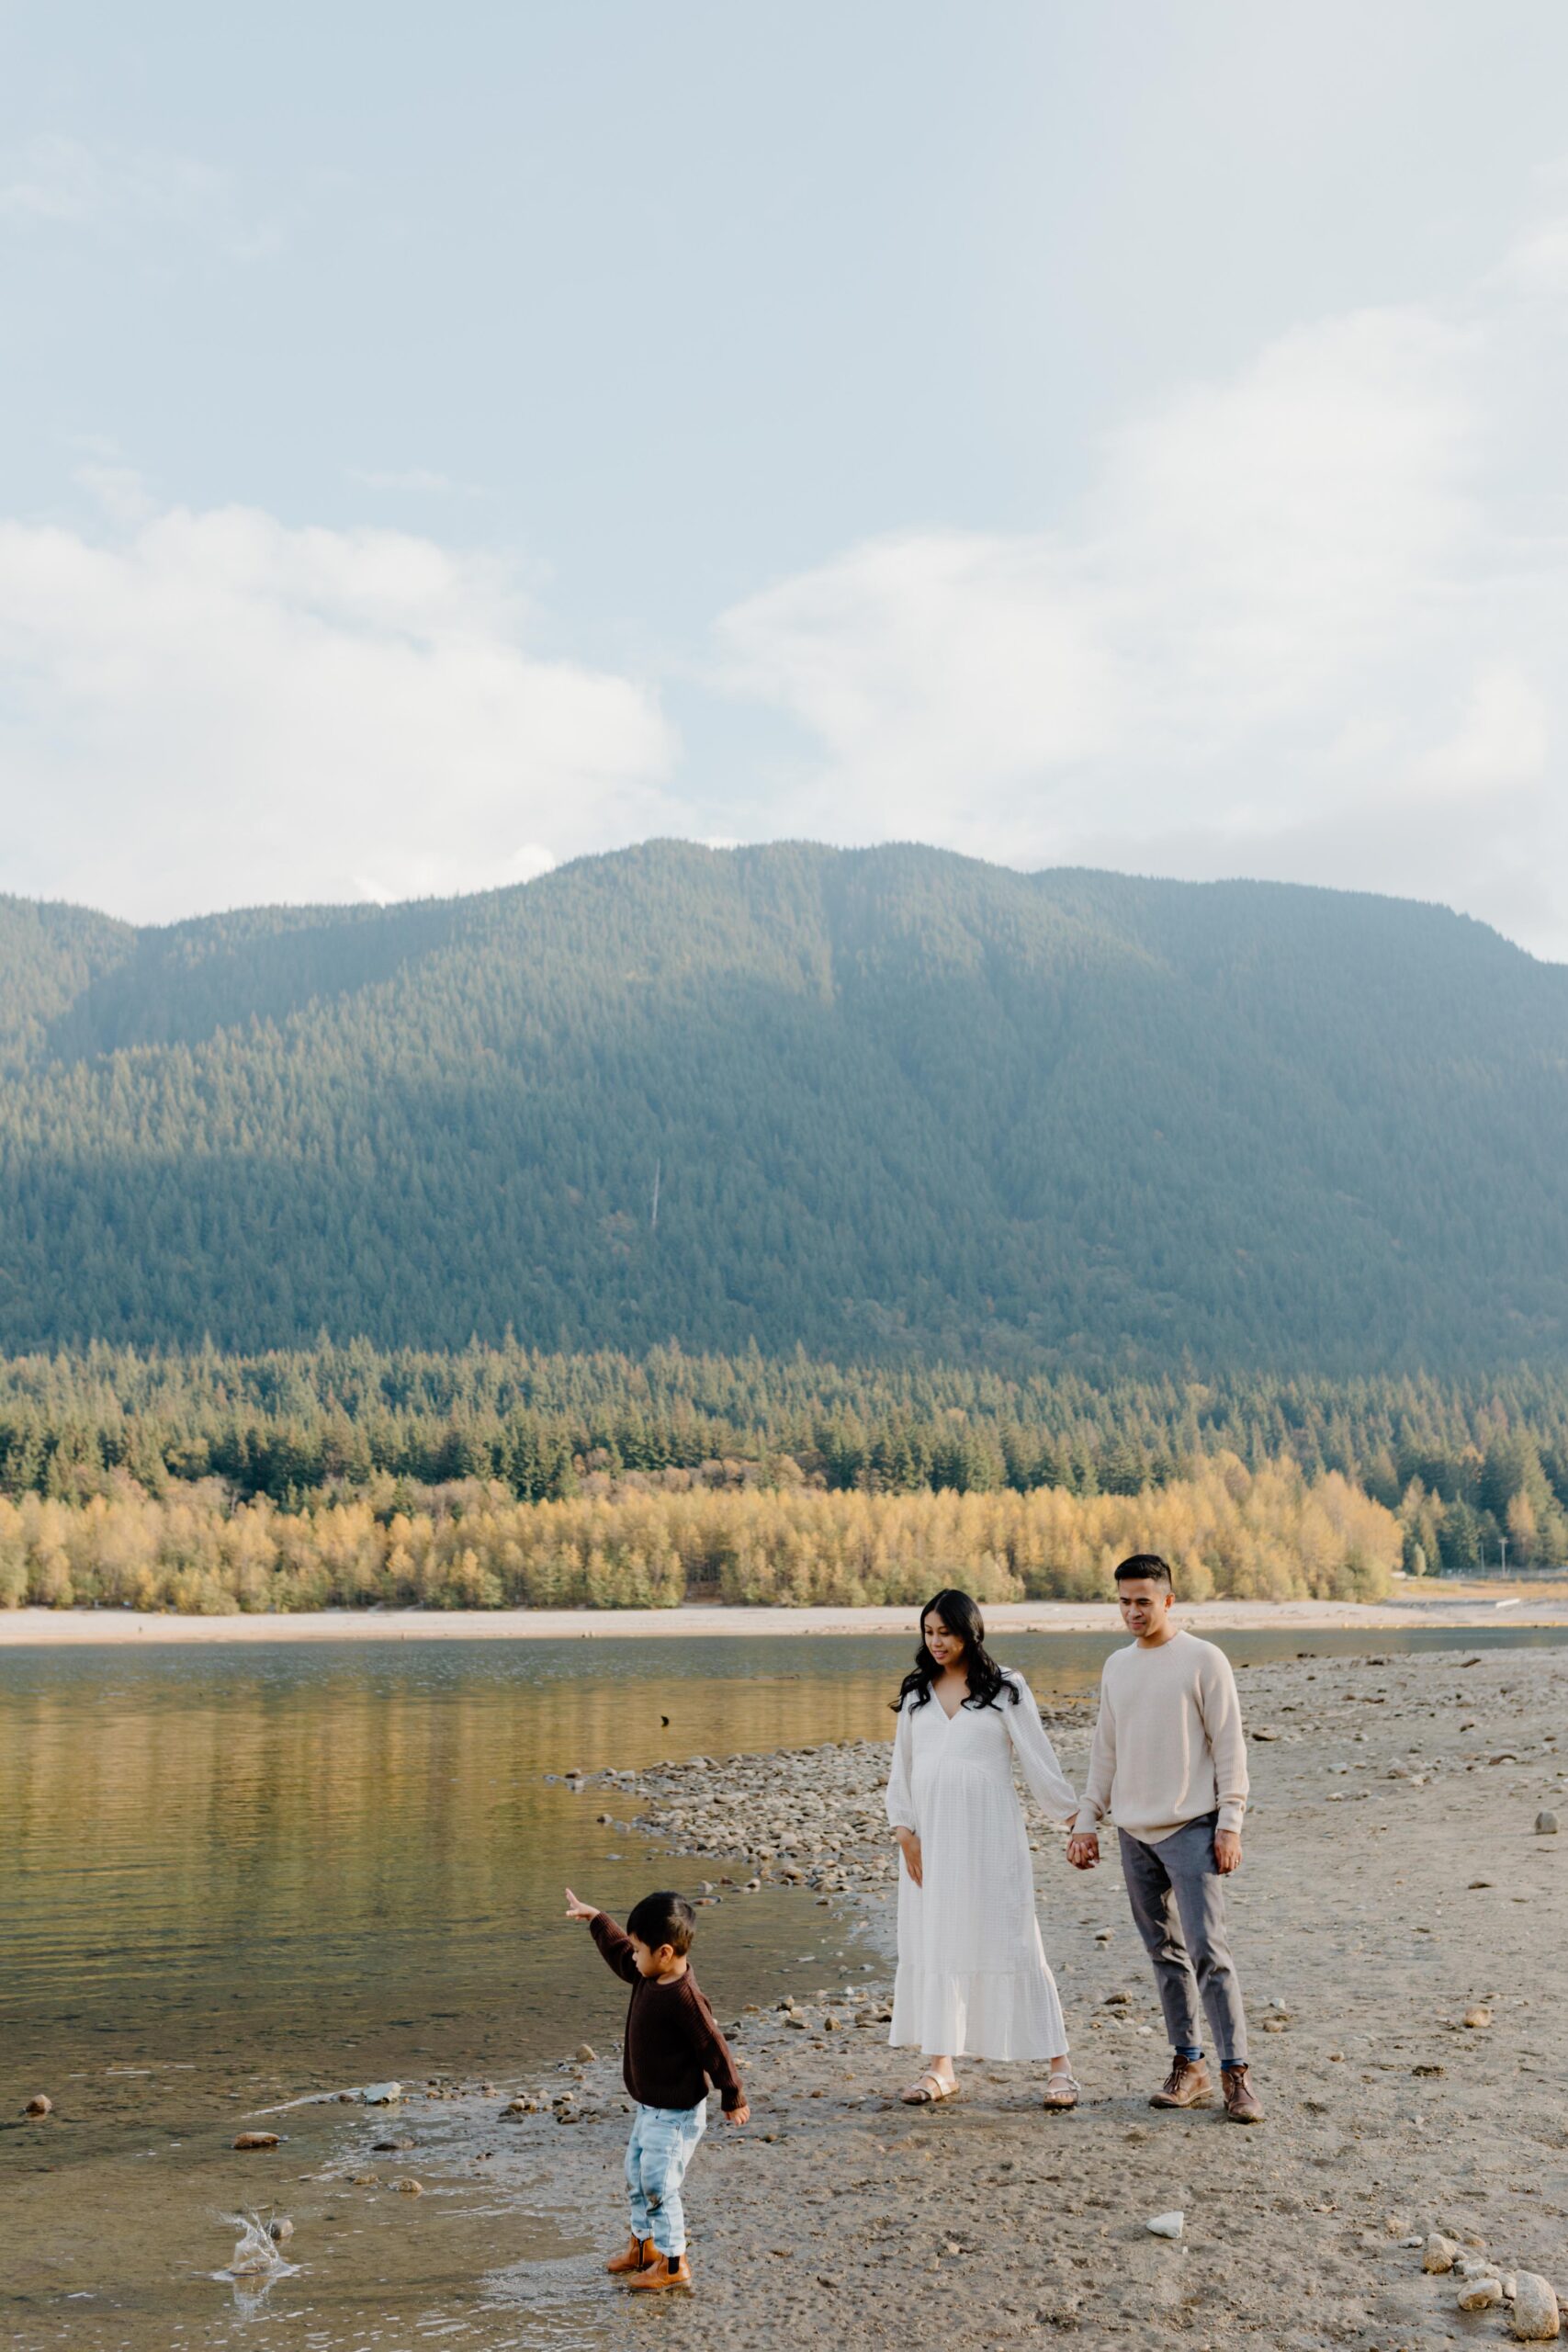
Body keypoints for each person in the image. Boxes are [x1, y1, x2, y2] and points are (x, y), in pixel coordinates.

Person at [1066, 1554, 1264, 2124]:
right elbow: (1106, 1751)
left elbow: (1230, 1747)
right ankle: (1190, 2065)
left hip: (1193, 1827)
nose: (1132, 1611)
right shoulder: (1116, 1667)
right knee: (1165, 1955)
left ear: (1169, 1601)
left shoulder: (1204, 1660)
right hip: (1134, 1832)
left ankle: (1237, 2076)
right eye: (1124, 1601)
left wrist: (1230, 1823)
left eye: (1143, 1601)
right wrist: (1087, 1821)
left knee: (1210, 1953)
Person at [885, 1587, 1081, 2110]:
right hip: (930, 1844)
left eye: (945, 1632)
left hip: (991, 1839)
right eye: (928, 1633)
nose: (936, 1642)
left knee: (1017, 1940)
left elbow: (1039, 1760)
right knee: (938, 1942)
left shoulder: (1006, 1688)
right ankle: (941, 2067)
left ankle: (1059, 2066)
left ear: (969, 1631)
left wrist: (1076, 1821)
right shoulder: (916, 1693)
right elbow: (900, 1771)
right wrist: (905, 1834)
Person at [563, 1884, 750, 2290]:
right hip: (650, 2108)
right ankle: (643, 2247)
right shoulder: (647, 1974)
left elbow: (714, 2048)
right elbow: (617, 1952)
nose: (632, 1955)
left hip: (678, 2113)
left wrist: (731, 2094)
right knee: (636, 2176)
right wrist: (596, 1918)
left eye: (639, 1949)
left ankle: (672, 2263)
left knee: (659, 2186)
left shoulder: (686, 1998)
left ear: (665, 1952)